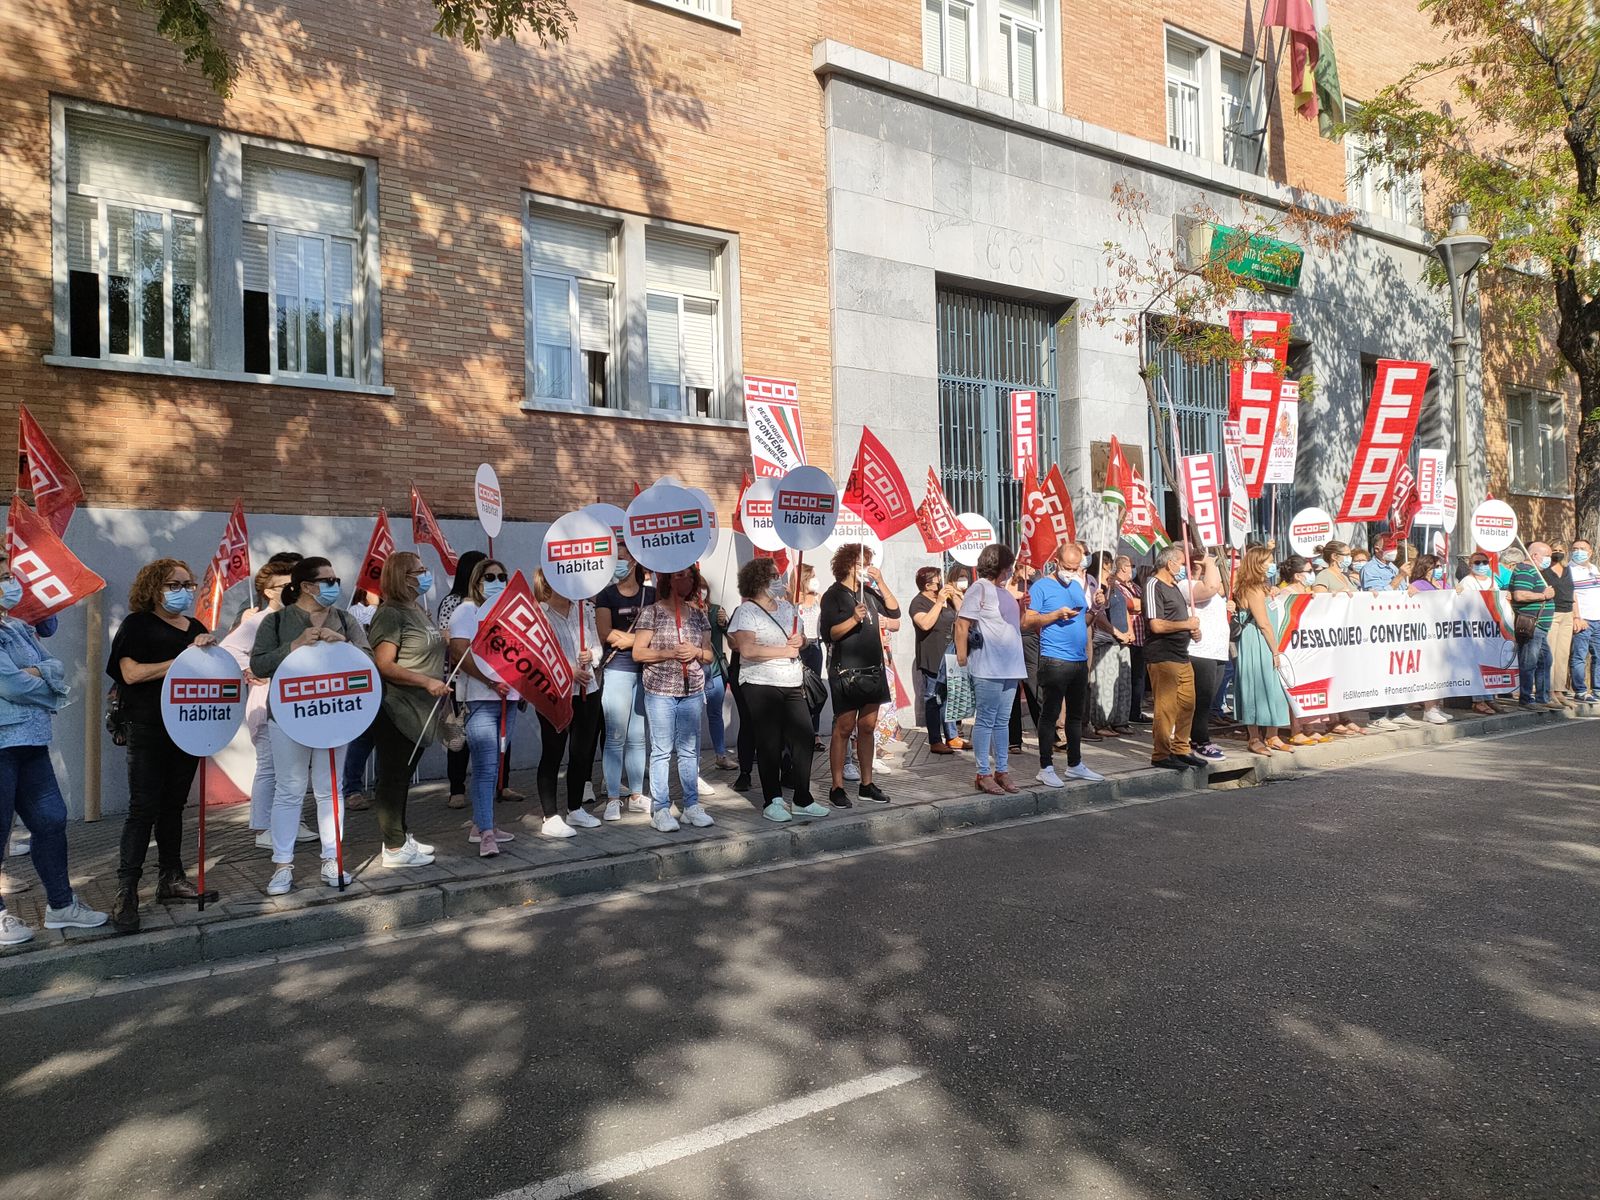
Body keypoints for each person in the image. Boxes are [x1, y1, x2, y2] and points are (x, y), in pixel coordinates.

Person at [0, 549, 106, 945]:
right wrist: (38, 679)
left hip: (32, 739)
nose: (12, 584)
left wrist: (36, 675)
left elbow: (53, 664)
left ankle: (61, 905)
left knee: (51, 821)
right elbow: (10, 685)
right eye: (4, 578)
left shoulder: (17, 627)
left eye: (11, 576)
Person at [107, 558, 217, 933]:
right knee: (143, 808)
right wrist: (183, 659)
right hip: (148, 727)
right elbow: (130, 673)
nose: (184, 591)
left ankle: (171, 877)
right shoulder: (137, 625)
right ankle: (127, 891)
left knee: (173, 806)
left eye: (188, 584)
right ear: (154, 588)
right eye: (174, 584)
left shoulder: (196, 628)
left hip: (187, 729)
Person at [249, 557, 369, 894]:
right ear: (306, 586)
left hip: (336, 713)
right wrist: (295, 645)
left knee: (330, 789)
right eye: (327, 580)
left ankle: (332, 859)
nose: (334, 585)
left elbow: (369, 660)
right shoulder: (275, 622)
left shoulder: (344, 619)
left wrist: (343, 643)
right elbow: (258, 665)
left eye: (335, 579)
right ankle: (283, 865)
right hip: (288, 715)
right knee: (289, 788)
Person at [221, 561, 317, 849]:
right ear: (267, 591)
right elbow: (228, 648)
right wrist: (250, 670)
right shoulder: (258, 620)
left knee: (294, 769)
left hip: (294, 701)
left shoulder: (298, 619)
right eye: (283, 586)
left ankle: (291, 820)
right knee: (269, 767)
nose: (290, 590)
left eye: (293, 584)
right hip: (266, 702)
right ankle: (263, 827)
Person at [726, 557, 827, 823]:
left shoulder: (787, 608)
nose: (777, 579)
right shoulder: (746, 611)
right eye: (772, 575)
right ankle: (773, 800)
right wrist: (784, 650)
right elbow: (746, 650)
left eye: (778, 574)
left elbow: (803, 640)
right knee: (769, 742)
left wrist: (801, 640)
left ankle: (803, 798)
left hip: (792, 681)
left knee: (803, 736)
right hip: (759, 683)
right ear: (758, 580)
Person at [368, 552, 449, 867]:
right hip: (397, 707)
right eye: (420, 570)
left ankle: (401, 834)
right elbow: (384, 665)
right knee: (393, 777)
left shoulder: (417, 609)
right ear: (403, 576)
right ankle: (393, 847)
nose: (426, 575)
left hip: (421, 710)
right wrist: (425, 682)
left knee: (402, 775)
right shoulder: (390, 613)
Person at [446, 559, 530, 851]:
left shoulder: (507, 612)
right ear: (476, 580)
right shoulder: (466, 611)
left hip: (509, 699)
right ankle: (486, 835)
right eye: (490, 576)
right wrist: (490, 681)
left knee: (495, 767)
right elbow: (458, 652)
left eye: (502, 576)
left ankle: (484, 824)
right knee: (485, 767)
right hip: (481, 699)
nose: (497, 581)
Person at [632, 566, 715, 832]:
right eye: (679, 575)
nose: (686, 581)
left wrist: (696, 652)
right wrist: (668, 653)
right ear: (667, 579)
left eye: (690, 576)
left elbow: (710, 654)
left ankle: (691, 805)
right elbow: (638, 653)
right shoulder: (652, 612)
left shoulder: (699, 615)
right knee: (662, 751)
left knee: (690, 750)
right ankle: (661, 808)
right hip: (660, 691)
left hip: (691, 691)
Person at [526, 568, 605, 840]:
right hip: (555, 692)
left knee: (582, 752)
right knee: (553, 751)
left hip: (587, 689)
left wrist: (591, 655)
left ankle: (575, 808)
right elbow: (535, 657)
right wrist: (567, 669)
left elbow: (598, 647)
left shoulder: (585, 610)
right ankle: (550, 815)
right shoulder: (539, 614)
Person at [819, 543, 899, 808]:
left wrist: (881, 581)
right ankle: (837, 786)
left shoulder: (870, 593)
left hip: (872, 669)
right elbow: (831, 633)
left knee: (867, 727)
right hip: (846, 671)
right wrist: (853, 619)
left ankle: (867, 784)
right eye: (861, 563)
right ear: (848, 565)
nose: (866, 567)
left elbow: (895, 612)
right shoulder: (834, 595)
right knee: (843, 728)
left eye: (868, 562)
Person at [1027, 541, 1102, 788]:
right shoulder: (1042, 586)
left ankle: (1075, 764)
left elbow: (1084, 619)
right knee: (1049, 714)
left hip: (1079, 659)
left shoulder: (1077, 586)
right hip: (1054, 659)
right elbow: (1027, 621)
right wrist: (1055, 615)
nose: (1072, 572)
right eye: (1068, 567)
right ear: (1056, 562)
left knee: (1075, 716)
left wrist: (1098, 607)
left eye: (1076, 567)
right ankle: (1045, 767)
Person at [956, 542, 1027, 794]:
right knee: (986, 720)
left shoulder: (1005, 592)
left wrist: (1022, 608)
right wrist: (962, 659)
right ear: (999, 565)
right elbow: (962, 624)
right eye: (1008, 566)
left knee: (1003, 721)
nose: (1010, 571)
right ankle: (983, 772)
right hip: (988, 665)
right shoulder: (979, 588)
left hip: (1010, 666)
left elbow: (1014, 625)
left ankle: (1002, 770)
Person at [595, 544, 655, 820]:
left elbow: (658, 633)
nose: (618, 563)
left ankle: (636, 794)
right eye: (614, 559)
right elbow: (606, 634)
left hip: (646, 672)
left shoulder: (651, 595)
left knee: (638, 737)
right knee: (615, 736)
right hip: (617, 670)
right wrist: (640, 639)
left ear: (634, 561)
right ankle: (612, 798)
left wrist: (629, 639)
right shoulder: (605, 595)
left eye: (621, 557)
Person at [1142, 546, 1207, 770]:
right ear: (1169, 564)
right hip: (1163, 656)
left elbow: (1177, 619)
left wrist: (1192, 631)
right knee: (1166, 707)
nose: (1182, 568)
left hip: (1182, 655)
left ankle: (1181, 748)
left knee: (1187, 704)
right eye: (1180, 563)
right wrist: (1185, 624)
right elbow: (1156, 624)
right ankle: (1161, 753)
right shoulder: (1153, 585)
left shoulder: (1175, 587)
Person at [438, 549, 487, 811]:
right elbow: (450, 641)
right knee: (459, 736)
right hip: (460, 678)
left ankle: (501, 784)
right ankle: (456, 788)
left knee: (493, 736)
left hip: (491, 680)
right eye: (483, 572)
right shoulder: (453, 602)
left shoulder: (491, 603)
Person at [1233, 546, 1291, 757]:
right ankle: (1254, 737)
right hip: (1258, 641)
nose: (1271, 564)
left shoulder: (1263, 587)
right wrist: (1275, 651)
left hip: (1265, 639)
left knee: (1273, 686)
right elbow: (1263, 623)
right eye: (1267, 561)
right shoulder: (1252, 588)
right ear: (1257, 564)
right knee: (1257, 686)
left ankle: (1273, 735)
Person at [909, 566, 962, 754]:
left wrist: (954, 595)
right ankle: (935, 740)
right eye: (937, 578)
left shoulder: (945, 598)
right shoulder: (918, 603)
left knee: (950, 697)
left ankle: (952, 736)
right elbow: (925, 624)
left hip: (951, 653)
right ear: (927, 583)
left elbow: (962, 613)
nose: (940, 581)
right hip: (932, 656)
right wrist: (939, 602)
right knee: (933, 698)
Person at [1185, 549, 1229, 760]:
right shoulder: (1187, 586)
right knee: (1201, 699)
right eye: (1207, 566)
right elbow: (1211, 586)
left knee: (1208, 698)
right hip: (1200, 651)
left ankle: (1198, 736)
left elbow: (1216, 587)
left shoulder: (1210, 589)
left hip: (1217, 651)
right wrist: (1209, 562)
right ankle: (1200, 741)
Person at [1404, 554, 1454, 725]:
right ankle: (1429, 708)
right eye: (1436, 567)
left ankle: (1436, 706)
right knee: (1430, 672)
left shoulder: (1442, 584)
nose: (1439, 570)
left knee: (1441, 672)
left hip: (1443, 633)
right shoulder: (1418, 585)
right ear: (1426, 567)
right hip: (1427, 634)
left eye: (1440, 567)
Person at [340, 588, 379, 809]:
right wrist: (373, 604)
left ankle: (381, 787)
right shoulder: (354, 612)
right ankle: (352, 788)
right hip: (362, 680)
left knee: (386, 736)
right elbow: (361, 636)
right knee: (363, 738)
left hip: (388, 680)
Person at [1508, 543, 1556, 707]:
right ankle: (1526, 698)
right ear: (1535, 556)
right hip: (1532, 625)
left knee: (1545, 661)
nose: (1550, 560)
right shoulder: (1525, 570)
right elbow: (1520, 595)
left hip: (1540, 627)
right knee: (1529, 662)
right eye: (1547, 556)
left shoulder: (1536, 572)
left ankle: (1543, 698)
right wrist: (1543, 595)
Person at [1458, 551, 1504, 715]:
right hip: (1475, 628)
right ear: (1470, 565)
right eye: (1477, 563)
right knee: (1478, 666)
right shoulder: (1468, 581)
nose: (1481, 566)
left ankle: (1490, 698)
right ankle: (1478, 700)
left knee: (1490, 665)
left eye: (1484, 562)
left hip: (1491, 628)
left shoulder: (1492, 581)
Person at [701, 584, 734, 771]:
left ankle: (721, 755)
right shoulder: (686, 611)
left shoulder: (716, 610)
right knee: (691, 718)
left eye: (702, 588)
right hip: (694, 672)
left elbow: (729, 637)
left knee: (715, 714)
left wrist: (724, 623)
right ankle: (692, 761)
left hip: (714, 671)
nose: (700, 591)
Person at [796, 564, 827, 748]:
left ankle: (815, 734)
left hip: (815, 645)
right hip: (800, 647)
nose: (815, 580)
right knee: (800, 691)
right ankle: (801, 730)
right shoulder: (794, 600)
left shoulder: (820, 599)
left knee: (815, 689)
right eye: (811, 576)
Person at [1543, 543, 1577, 707]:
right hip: (1552, 613)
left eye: (1560, 550)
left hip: (1567, 613)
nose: (1557, 553)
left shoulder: (1568, 570)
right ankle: (1548, 691)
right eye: (1554, 550)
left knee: (1563, 654)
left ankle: (1559, 690)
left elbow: (1574, 593)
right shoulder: (1544, 571)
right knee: (1551, 654)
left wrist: (1577, 616)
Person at [1569, 538, 1599, 702]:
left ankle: (1598, 689)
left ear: (1590, 552)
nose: (1578, 551)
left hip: (1598, 619)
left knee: (1598, 656)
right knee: (1579, 656)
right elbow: (1571, 597)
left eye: (1582, 548)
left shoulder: (1594, 568)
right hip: (1583, 620)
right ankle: (1580, 690)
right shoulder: (1569, 570)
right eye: (1575, 548)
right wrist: (1577, 617)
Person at [1122, 561, 1150, 724]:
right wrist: (1138, 604)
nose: (1132, 568)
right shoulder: (1118, 586)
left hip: (1141, 638)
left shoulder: (1136, 587)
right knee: (1127, 678)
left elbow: (1143, 604)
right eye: (1129, 565)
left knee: (1138, 678)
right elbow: (1129, 604)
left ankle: (1135, 711)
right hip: (1129, 638)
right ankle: (1126, 712)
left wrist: (1139, 605)